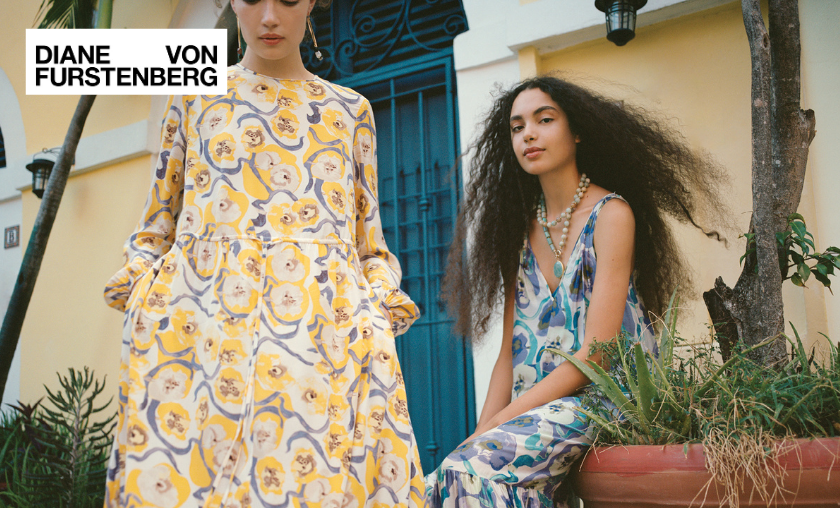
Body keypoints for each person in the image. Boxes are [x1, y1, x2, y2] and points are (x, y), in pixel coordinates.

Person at [102, 1, 426, 506]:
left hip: (323, 340)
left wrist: (377, 310)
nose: (270, 16)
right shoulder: (193, 97)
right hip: (202, 337)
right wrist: (143, 289)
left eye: (289, 0)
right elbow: (156, 227)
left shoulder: (349, 111)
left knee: (309, 486)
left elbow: (369, 244)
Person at [426, 76, 729, 507]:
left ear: (578, 131)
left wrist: (498, 425)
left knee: (467, 471)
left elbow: (597, 355)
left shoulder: (611, 215)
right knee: (436, 482)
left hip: (604, 401)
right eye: (517, 127)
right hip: (538, 409)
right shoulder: (515, 231)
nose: (528, 134)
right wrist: (479, 432)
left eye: (544, 120)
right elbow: (508, 357)